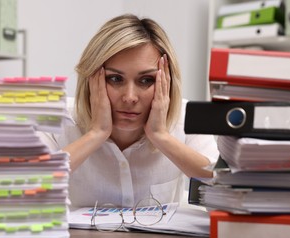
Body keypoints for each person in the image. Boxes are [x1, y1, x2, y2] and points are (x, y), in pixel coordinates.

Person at [40, 14, 219, 209]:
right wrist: (96, 134)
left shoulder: (187, 117)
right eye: (115, 79)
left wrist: (161, 136)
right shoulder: (55, 118)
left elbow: (224, 188)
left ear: (166, 82)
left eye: (146, 80)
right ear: (91, 79)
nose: (130, 97)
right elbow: (27, 188)